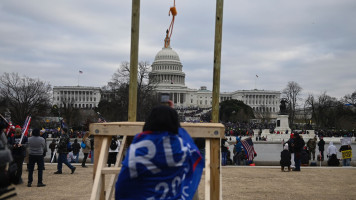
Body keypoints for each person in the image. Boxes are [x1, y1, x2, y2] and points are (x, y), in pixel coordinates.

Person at [115, 106, 204, 200]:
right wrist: (172, 118)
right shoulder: (183, 147)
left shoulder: (138, 148)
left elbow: (123, 183)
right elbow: (185, 136)